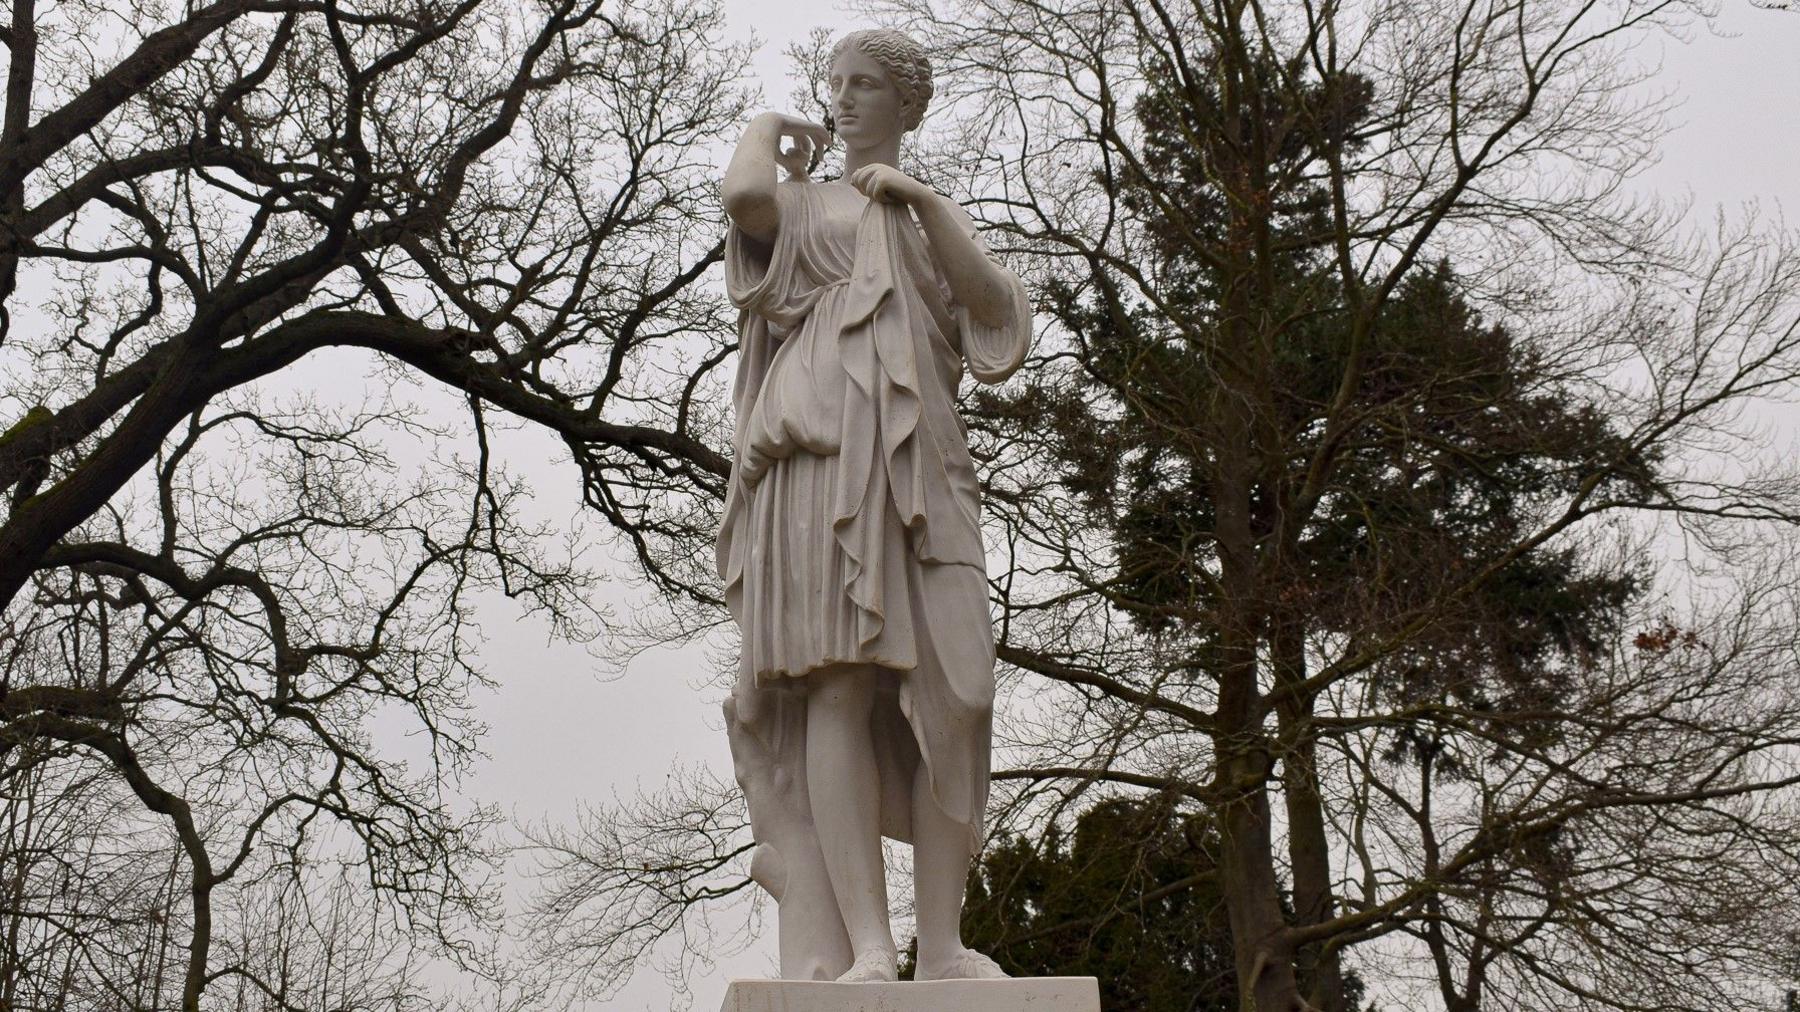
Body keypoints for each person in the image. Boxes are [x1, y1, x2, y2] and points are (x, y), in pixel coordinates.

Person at [717, 27, 1032, 985]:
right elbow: (741, 194)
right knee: (837, 689)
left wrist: (925, 202)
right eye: (835, 86)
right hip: (818, 465)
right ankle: (870, 946)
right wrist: (776, 124)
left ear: (908, 103)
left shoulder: (928, 215)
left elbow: (992, 319)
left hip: (926, 471)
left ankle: (942, 944)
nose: (845, 100)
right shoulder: (803, 205)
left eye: (865, 87)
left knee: (962, 692)